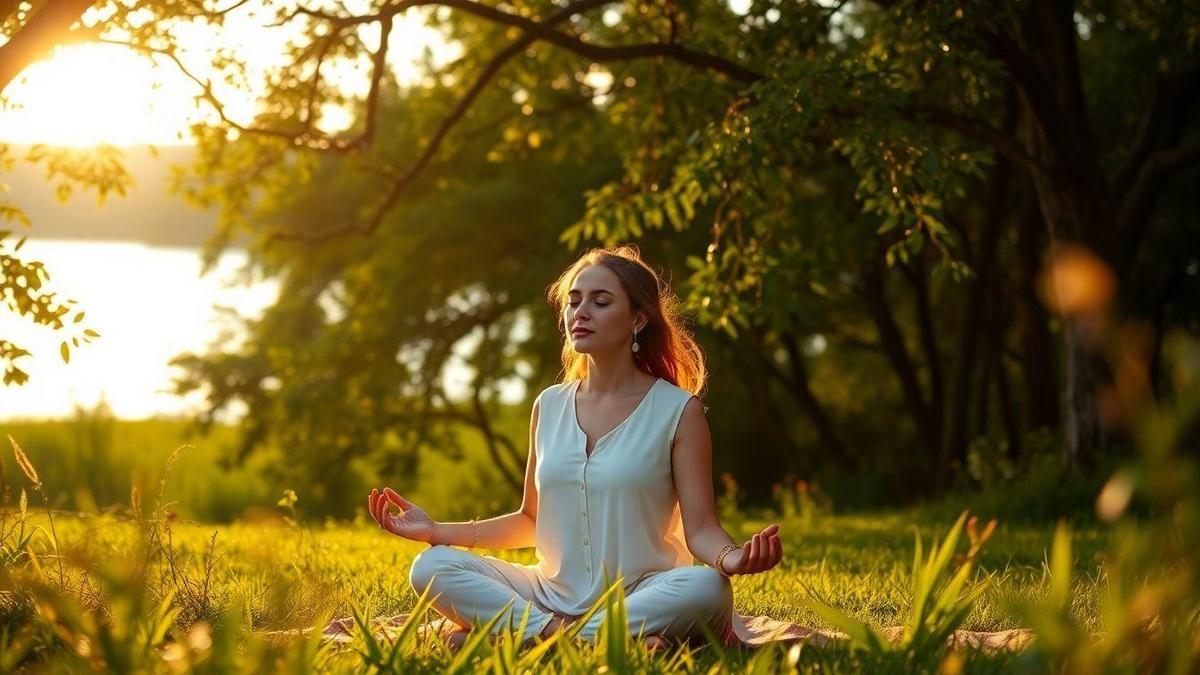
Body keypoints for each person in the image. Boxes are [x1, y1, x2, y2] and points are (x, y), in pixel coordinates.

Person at [366, 245, 784, 651]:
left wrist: (731, 558)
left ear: (638, 319)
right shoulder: (548, 405)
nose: (579, 312)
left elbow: (701, 529)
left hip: (644, 595)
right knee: (432, 566)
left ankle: (515, 636)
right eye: (573, 301)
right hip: (547, 595)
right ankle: (589, 640)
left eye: (600, 302)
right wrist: (436, 531)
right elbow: (531, 519)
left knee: (707, 586)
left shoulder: (678, 411)